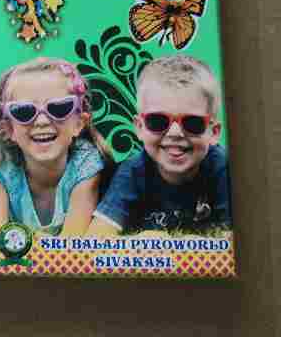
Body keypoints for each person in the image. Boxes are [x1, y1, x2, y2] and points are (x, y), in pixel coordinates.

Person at [89, 54, 232, 235]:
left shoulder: (223, 169)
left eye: (192, 122)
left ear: (214, 132)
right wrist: (138, 243)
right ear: (139, 127)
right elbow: (96, 239)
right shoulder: (132, 172)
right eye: (157, 121)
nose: (175, 133)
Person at [0, 57, 111, 237]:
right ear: (8, 129)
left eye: (59, 108)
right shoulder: (4, 172)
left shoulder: (86, 164)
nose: (42, 121)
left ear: (79, 123)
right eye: (23, 111)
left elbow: (72, 241)